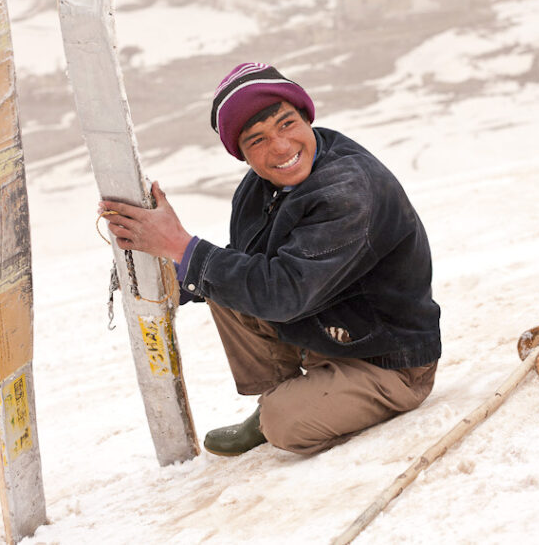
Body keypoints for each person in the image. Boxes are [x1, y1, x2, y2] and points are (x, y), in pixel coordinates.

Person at [99, 62, 441, 456]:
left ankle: (290, 408)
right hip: (329, 331)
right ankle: (292, 395)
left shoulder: (348, 190)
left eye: (287, 124)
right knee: (220, 279)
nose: (280, 147)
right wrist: (167, 274)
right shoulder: (258, 187)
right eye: (257, 140)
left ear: (307, 117)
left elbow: (284, 294)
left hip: (387, 361)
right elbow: (245, 266)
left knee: (284, 424)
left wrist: (180, 245)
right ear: (241, 153)